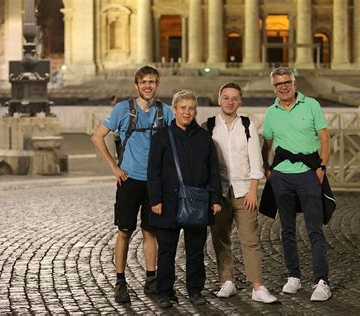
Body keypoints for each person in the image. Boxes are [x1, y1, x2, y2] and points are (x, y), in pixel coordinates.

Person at [91, 66, 174, 303]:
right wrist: (114, 167)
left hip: (154, 183)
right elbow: (97, 136)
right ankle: (120, 281)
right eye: (144, 82)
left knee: (151, 232)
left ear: (157, 85)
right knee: (124, 232)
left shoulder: (164, 112)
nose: (148, 86)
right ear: (136, 85)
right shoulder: (122, 109)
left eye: (152, 82)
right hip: (129, 180)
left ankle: (151, 279)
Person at [261, 67, 332, 302]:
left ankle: (322, 281)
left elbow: (324, 138)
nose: (283, 86)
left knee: (314, 229)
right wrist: (267, 169)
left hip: (308, 174)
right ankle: (293, 276)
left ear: (294, 83)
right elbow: (267, 143)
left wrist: (321, 168)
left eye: (287, 82)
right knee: (287, 230)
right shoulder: (271, 112)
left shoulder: (311, 105)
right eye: (278, 84)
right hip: (282, 176)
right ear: (274, 87)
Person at [147, 90, 222, 309]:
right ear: (175, 110)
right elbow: (154, 171)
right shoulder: (162, 136)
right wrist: (155, 201)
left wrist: (215, 199)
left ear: (195, 110)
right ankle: (164, 292)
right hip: (167, 203)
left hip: (197, 201)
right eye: (183, 108)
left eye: (191, 108)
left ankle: (195, 290)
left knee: (196, 251)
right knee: (167, 251)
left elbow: (213, 170)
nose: (187, 112)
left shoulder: (204, 137)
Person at [207, 83, 277, 303]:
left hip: (244, 190)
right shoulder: (208, 126)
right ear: (219, 100)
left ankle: (257, 286)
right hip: (219, 191)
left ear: (240, 101)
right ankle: (227, 281)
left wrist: (254, 190)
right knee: (220, 238)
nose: (230, 102)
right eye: (226, 97)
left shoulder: (247, 125)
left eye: (234, 98)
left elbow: (256, 160)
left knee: (250, 239)